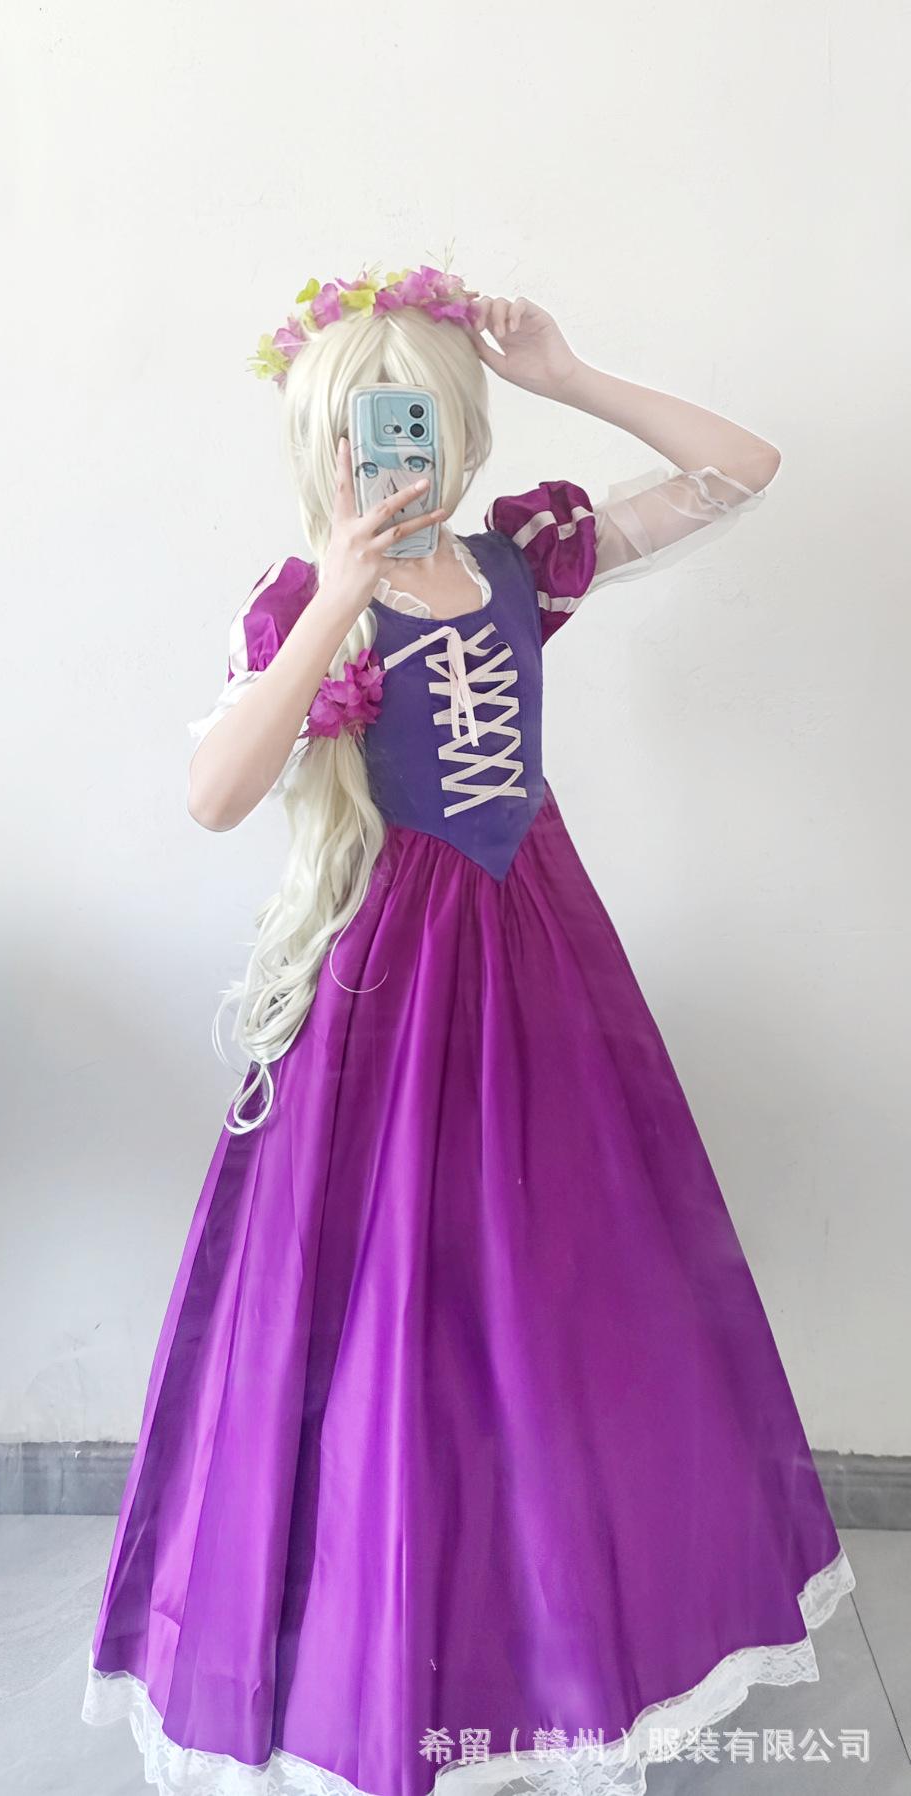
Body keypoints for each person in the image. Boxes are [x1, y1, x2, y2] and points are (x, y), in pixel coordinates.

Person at [81, 262, 855, 1796]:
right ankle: (384, 1647)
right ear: (324, 443)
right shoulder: (301, 602)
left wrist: (573, 375)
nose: (398, 453)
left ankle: (555, 1633)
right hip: (391, 982)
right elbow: (217, 795)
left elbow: (740, 470)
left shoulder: (522, 563)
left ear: (464, 424)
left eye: (423, 420)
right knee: (386, 1313)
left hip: (540, 953)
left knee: (553, 1288)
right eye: (370, 427)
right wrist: (340, 593)